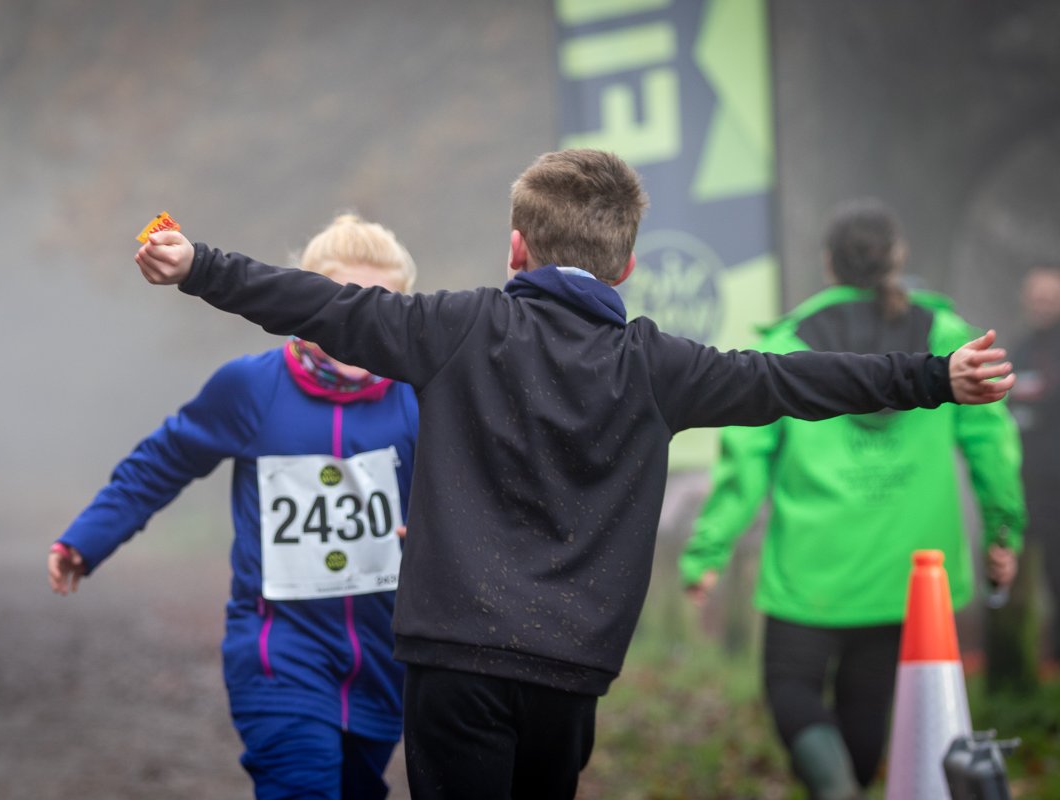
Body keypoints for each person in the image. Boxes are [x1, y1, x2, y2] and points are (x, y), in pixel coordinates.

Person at [132, 149, 1015, 800]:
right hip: (571, 671)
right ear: (627, 267)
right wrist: (934, 376)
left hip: (452, 661)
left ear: (516, 248)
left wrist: (197, 265)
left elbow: (321, 304)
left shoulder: (454, 327)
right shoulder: (658, 367)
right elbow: (788, 380)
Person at [49, 214, 419, 800]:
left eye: (379, 310)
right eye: (343, 307)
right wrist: (86, 538)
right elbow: (162, 462)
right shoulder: (252, 388)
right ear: (307, 307)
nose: (359, 328)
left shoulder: (420, 398)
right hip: (278, 655)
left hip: (382, 661)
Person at [679, 198, 1025, 799]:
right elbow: (992, 446)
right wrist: (1003, 533)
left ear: (827, 264)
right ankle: (849, 789)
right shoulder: (949, 340)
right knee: (868, 711)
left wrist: (707, 553)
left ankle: (836, 789)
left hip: (810, 572)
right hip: (911, 573)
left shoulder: (785, 344)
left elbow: (745, 464)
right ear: (897, 258)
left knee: (791, 689)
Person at [1008, 266, 1060, 669]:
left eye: (1049, 295)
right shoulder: (1019, 350)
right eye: (1035, 295)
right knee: (1015, 586)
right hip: (1024, 490)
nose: (1041, 303)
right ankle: (1019, 678)